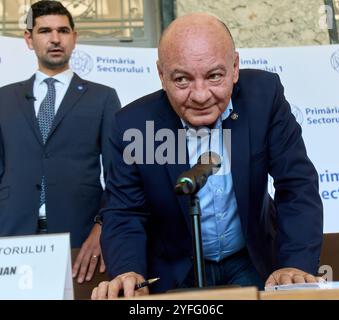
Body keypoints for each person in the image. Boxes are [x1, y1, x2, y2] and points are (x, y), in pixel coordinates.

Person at [91, 13, 323, 299]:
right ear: (162, 76)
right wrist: (129, 271)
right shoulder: (133, 125)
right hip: (174, 268)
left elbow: (297, 184)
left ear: (234, 67)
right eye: (182, 79)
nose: (201, 96)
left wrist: (294, 264)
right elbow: (125, 211)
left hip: (252, 259)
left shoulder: (265, 97)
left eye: (214, 76)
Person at [0, 1, 121, 284]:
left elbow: (118, 176)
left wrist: (103, 228)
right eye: (45, 30)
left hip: (80, 240)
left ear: (74, 37)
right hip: (10, 236)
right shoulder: (3, 99)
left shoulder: (103, 98)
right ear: (29, 38)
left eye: (63, 30)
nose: (55, 38)